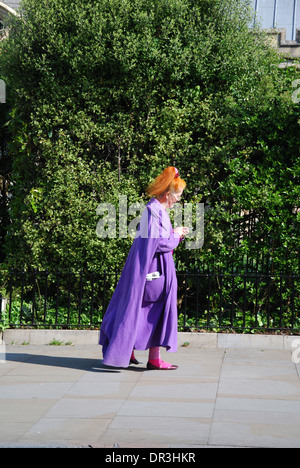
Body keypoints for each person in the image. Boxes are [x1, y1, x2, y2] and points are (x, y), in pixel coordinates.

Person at [99, 166, 188, 370]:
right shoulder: (155, 212)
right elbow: (161, 243)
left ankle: (127, 350)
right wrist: (177, 234)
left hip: (152, 272)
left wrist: (173, 232)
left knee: (139, 310)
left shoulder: (156, 211)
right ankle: (151, 358)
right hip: (154, 273)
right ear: (167, 194)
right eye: (178, 195)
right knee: (154, 313)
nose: (178, 200)